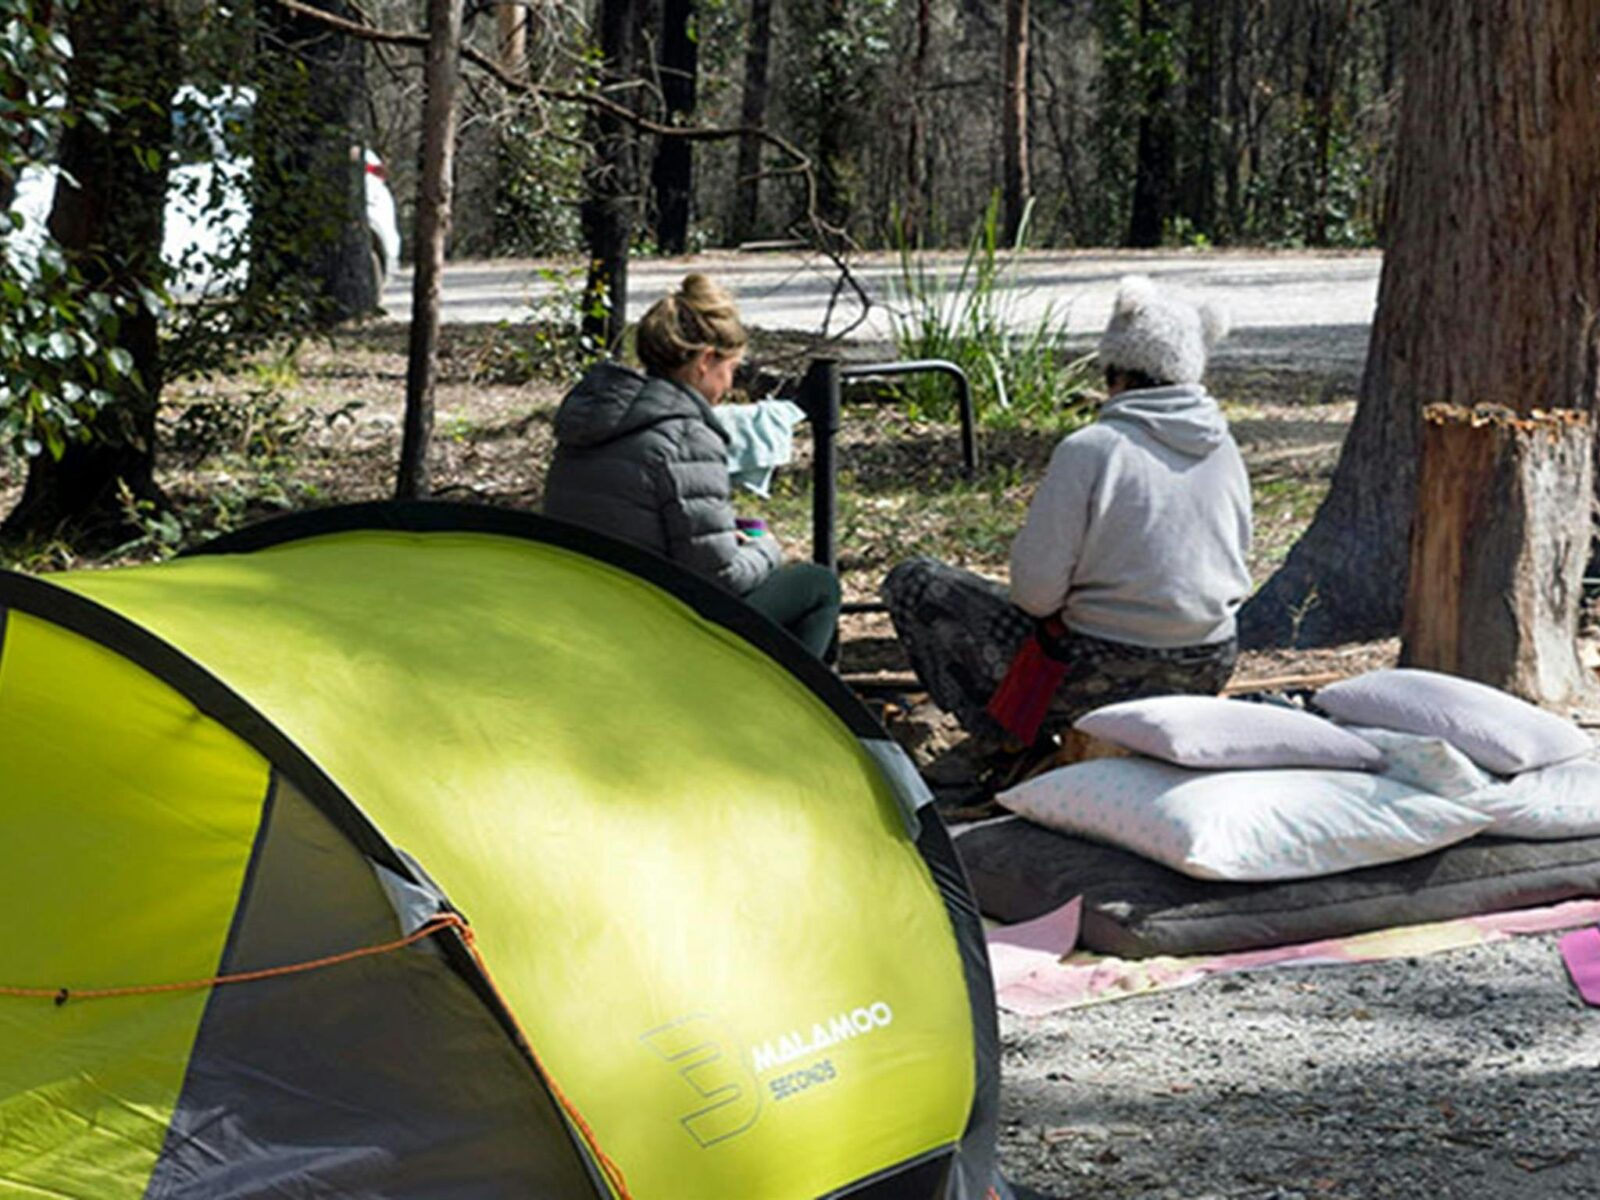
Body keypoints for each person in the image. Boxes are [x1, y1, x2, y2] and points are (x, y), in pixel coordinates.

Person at [883, 274, 1252, 773]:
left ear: (1114, 371)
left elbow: (1036, 595)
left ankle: (1008, 741)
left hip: (1095, 667)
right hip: (1206, 663)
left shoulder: (1091, 449)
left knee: (916, 581)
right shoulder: (1224, 450)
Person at [543, 273, 841, 658]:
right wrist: (767, 549)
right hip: (656, 632)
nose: (730, 385)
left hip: (584, 614)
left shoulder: (589, 421)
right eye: (731, 369)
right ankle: (774, 712)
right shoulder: (686, 437)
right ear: (705, 361)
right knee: (817, 586)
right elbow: (721, 580)